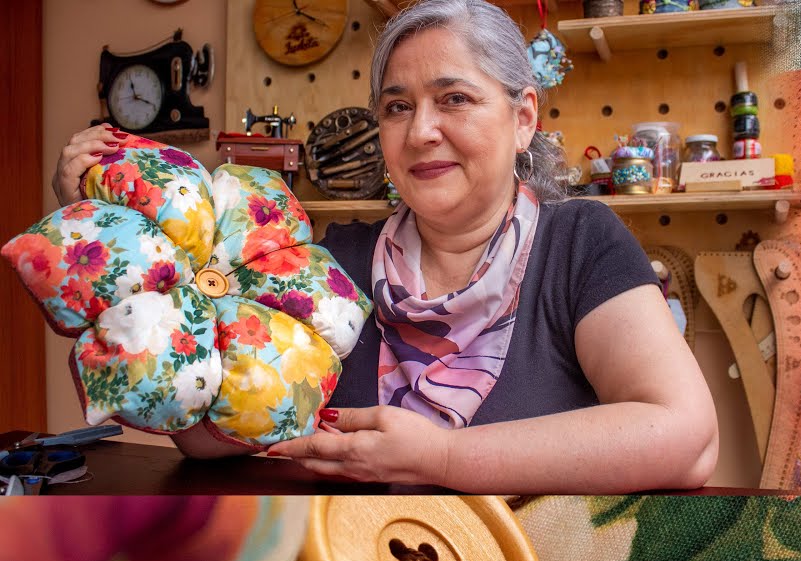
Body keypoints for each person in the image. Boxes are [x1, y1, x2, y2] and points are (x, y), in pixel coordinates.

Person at [51, 0, 717, 493]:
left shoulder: (580, 243)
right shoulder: (332, 263)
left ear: (523, 119)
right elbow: (208, 437)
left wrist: (444, 460)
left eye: (454, 98)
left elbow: (684, 435)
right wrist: (117, 238)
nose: (421, 130)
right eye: (397, 107)